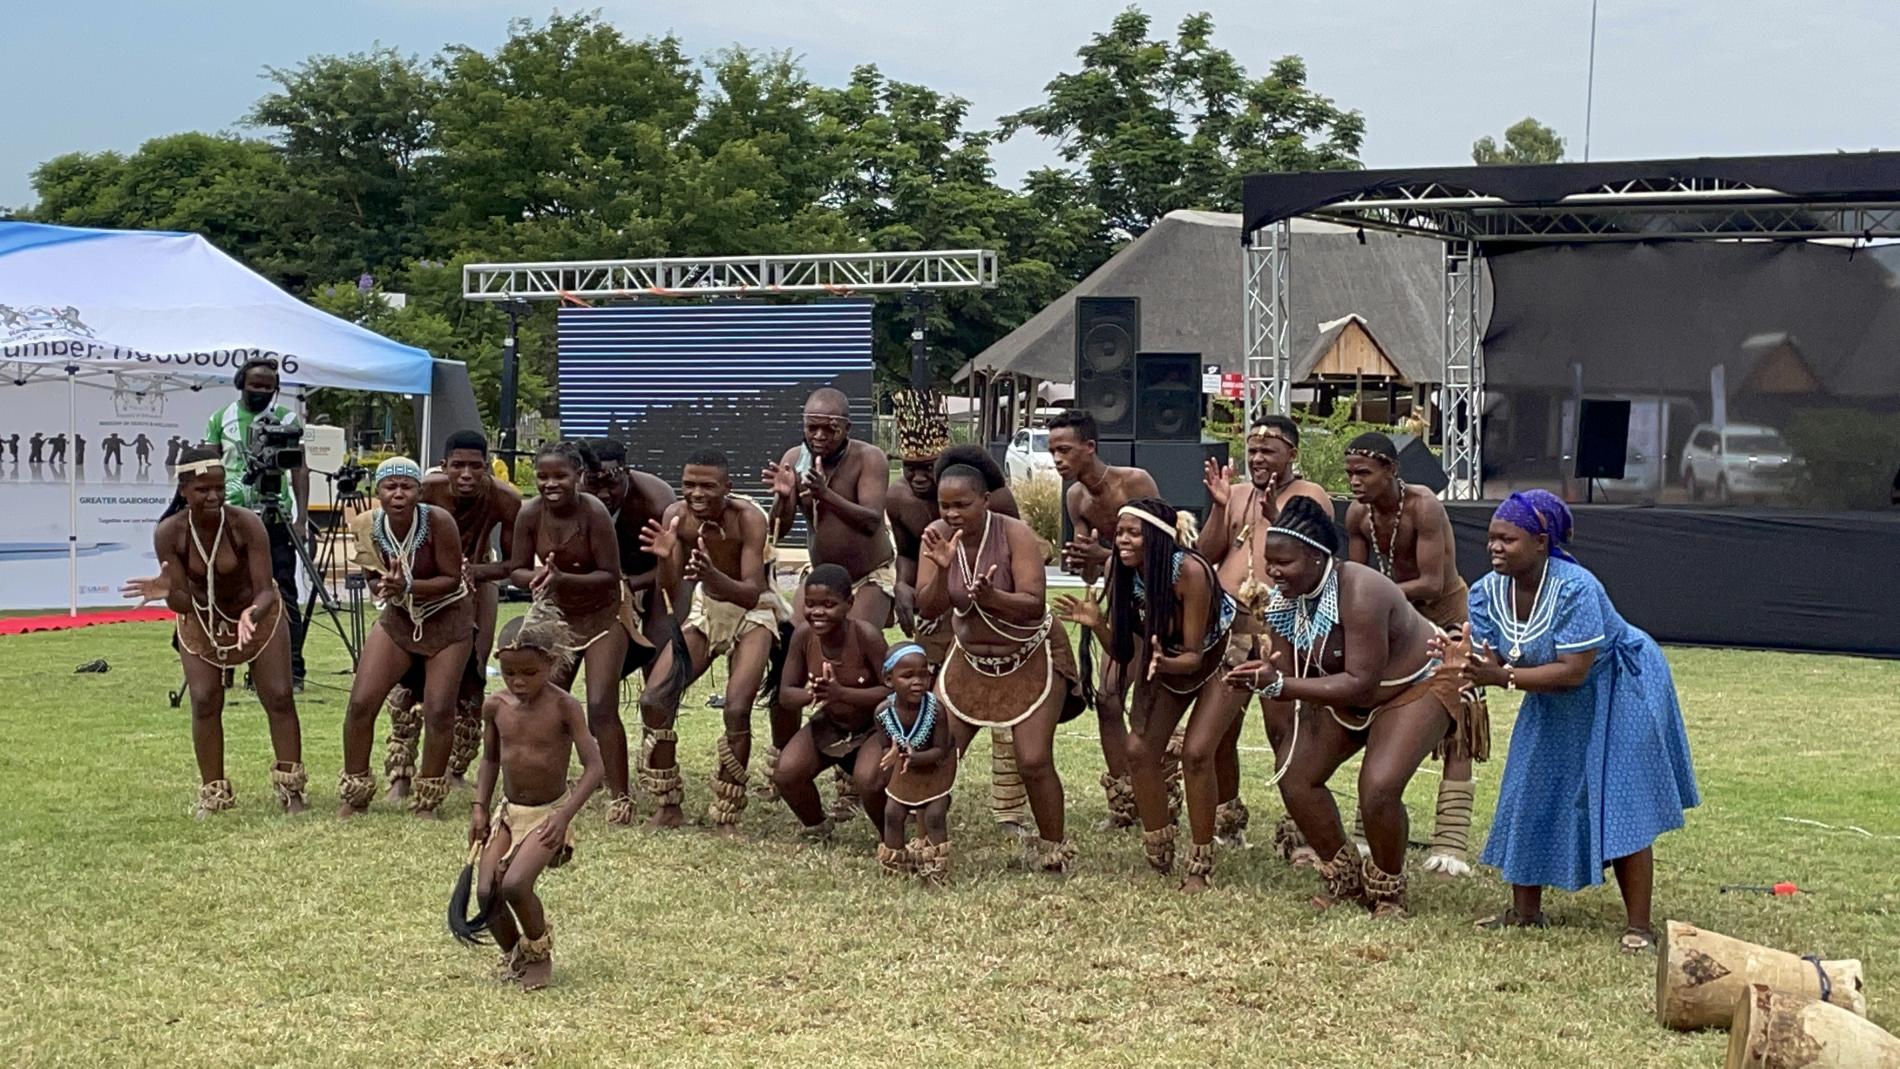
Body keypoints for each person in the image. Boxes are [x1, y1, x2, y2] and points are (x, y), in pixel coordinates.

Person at [1453, 490, 1698, 952]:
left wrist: (1501, 675)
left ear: (1542, 542)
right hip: (1546, 689)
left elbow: (1574, 670)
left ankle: (1639, 927)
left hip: (1620, 683)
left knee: (1619, 796)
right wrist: (1463, 662)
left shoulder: (1576, 587)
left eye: (1509, 539)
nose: (1495, 547)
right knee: (1530, 785)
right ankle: (1525, 912)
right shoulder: (1486, 592)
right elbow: (1495, 657)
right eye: (1491, 538)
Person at [1224, 497, 1471, 918]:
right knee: (1297, 779)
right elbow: (1283, 666)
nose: (1275, 572)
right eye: (1271, 562)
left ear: (1319, 558)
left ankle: (1389, 890)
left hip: (1413, 685)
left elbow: (1361, 680)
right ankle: (1347, 879)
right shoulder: (1287, 600)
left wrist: (1282, 684)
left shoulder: (1360, 590)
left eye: (1286, 562)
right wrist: (1265, 672)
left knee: (1378, 788)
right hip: (1347, 695)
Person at [919, 463, 1088, 871]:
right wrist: (943, 573)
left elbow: (1032, 603)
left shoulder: (1016, 534)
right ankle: (928, 846)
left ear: (985, 500)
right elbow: (928, 606)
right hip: (971, 660)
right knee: (938, 750)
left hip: (1029, 654)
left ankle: (1052, 850)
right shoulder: (938, 536)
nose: (953, 514)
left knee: (1033, 759)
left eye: (962, 504)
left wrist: (994, 597)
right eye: (945, 506)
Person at [121, 445, 306, 817]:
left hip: (258, 616)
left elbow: (267, 588)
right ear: (184, 490)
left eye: (220, 488)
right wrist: (168, 591)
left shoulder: (246, 524)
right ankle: (213, 794)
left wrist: (251, 614)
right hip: (201, 621)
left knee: (279, 695)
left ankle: (292, 789)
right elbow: (183, 602)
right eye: (204, 489)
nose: (214, 496)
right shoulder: (169, 533)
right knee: (204, 699)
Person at [1059, 498, 1235, 880]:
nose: (1121, 540)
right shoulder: (1121, 570)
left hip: (1222, 659)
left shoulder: (1189, 572)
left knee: (1197, 753)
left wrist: (1163, 663)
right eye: (1119, 532)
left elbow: (1192, 654)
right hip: (1169, 660)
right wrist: (1097, 624)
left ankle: (1199, 865)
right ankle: (1159, 852)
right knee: (1139, 750)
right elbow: (1123, 650)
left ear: (1155, 538)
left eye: (1132, 533)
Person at [1191, 416, 1335, 872]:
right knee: (1221, 733)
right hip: (1230, 624)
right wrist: (1218, 507)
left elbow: (1318, 556)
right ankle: (1227, 818)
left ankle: (1300, 834)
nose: (1257, 459)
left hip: (1281, 628)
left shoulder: (1311, 497)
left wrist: (1277, 518)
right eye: (1252, 451)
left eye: (1268, 451)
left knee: (1283, 729)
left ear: (1291, 453)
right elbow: (1207, 554)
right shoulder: (1235, 495)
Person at [1344, 431, 1490, 876]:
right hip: (1395, 622)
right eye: (1349, 473)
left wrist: (1376, 598)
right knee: (1381, 706)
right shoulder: (1357, 516)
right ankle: (1367, 830)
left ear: (1391, 470)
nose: (1354, 482)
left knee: (1457, 713)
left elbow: (1430, 581)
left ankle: (1451, 844)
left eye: (1363, 473)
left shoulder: (1423, 507)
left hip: (1444, 616)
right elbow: (1355, 575)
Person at [885, 388, 1030, 837]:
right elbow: (909, 552)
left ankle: (1009, 810)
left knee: (1006, 713)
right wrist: (905, 588)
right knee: (928, 704)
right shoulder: (900, 500)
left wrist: (986, 598)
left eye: (927, 468)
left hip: (990, 619)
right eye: (909, 468)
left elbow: (1010, 558)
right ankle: (918, 794)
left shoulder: (996, 506)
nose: (919, 478)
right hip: (939, 608)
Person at [638, 448, 790, 832]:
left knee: (736, 709)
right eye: (689, 484)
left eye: (708, 485)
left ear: (728, 487)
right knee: (654, 700)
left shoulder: (749, 519)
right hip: (707, 612)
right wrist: (664, 557)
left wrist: (709, 575)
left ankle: (728, 811)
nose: (696, 493)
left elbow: (752, 592)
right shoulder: (676, 517)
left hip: (753, 614)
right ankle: (668, 805)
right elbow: (670, 589)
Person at [502, 440, 642, 824]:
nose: (551, 484)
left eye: (560, 475)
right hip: (554, 617)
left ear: (578, 476)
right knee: (547, 704)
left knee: (599, 705)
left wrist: (562, 577)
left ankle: (620, 796)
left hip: (604, 614)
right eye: (543, 477)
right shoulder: (529, 513)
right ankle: (547, 788)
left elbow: (609, 576)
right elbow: (514, 569)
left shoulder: (593, 512)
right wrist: (536, 578)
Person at [378, 431, 524, 794]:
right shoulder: (423, 490)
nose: (466, 474)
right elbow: (386, 535)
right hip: (421, 588)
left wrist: (471, 573)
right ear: (444, 467)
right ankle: (400, 773)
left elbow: (515, 563)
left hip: (477, 584)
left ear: (488, 468)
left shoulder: (506, 499)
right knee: (406, 679)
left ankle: (455, 769)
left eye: (476, 466)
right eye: (457, 465)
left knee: (471, 674)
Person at [467, 604, 605, 990]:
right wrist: (480, 807)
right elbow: (490, 759)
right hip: (509, 813)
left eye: (530, 673)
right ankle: (515, 955)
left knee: (515, 885)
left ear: (551, 663)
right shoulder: (495, 707)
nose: (519, 682)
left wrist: (563, 818)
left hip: (548, 814)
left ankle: (539, 954)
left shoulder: (565, 707)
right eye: (510, 673)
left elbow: (595, 769)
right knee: (486, 890)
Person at [336, 457, 476, 819]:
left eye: (406, 486)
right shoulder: (367, 525)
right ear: (378, 493)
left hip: (448, 619)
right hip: (400, 619)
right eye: (390, 486)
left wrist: (408, 585)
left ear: (419, 491)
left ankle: (427, 797)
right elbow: (371, 576)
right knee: (361, 702)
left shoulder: (438, 522)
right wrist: (381, 586)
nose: (398, 494)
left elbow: (451, 579)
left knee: (440, 708)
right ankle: (355, 792)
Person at [1048, 408, 1162, 831]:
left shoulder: (1135, 483)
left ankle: (1156, 790)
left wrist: (1106, 555)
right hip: (1118, 606)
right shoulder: (1075, 498)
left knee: (1147, 704)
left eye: (1065, 450)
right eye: (1052, 451)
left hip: (1156, 608)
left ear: (1090, 448)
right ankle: (1124, 801)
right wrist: (1083, 561)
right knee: (1109, 698)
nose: (1057, 459)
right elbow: (1092, 572)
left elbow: (1164, 548)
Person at [204, 358, 309, 686]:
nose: (261, 391)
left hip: (275, 517)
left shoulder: (287, 419)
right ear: (241, 383)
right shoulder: (221, 418)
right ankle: (224, 665)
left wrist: (303, 517)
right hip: (232, 517)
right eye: (255, 385)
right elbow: (209, 464)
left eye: (268, 387)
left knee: (282, 590)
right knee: (226, 590)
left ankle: (290, 668)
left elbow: (299, 468)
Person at [772, 565, 890, 839]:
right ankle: (817, 827)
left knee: (868, 780)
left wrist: (842, 693)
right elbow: (787, 695)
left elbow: (894, 693)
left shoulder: (866, 636)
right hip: (832, 725)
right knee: (787, 772)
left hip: (873, 727)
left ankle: (891, 837)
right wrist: (815, 694)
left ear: (849, 603)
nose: (817, 613)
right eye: (810, 605)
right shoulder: (803, 636)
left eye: (828, 604)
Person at [765, 387, 896, 628]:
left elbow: (871, 521)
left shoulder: (869, 458)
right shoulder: (794, 459)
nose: (819, 435)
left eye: (829, 429)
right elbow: (777, 531)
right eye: (812, 427)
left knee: (856, 645)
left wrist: (826, 495)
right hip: (821, 576)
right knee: (794, 642)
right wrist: (782, 499)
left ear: (847, 428)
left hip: (868, 576)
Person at [874, 643, 957, 886]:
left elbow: (941, 750)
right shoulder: (883, 712)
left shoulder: (935, 710)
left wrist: (914, 757)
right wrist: (892, 753)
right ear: (889, 680)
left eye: (923, 674)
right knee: (892, 813)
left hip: (935, 769)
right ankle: (894, 866)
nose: (918, 682)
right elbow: (884, 745)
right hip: (905, 769)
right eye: (908, 676)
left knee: (934, 814)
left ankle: (937, 871)